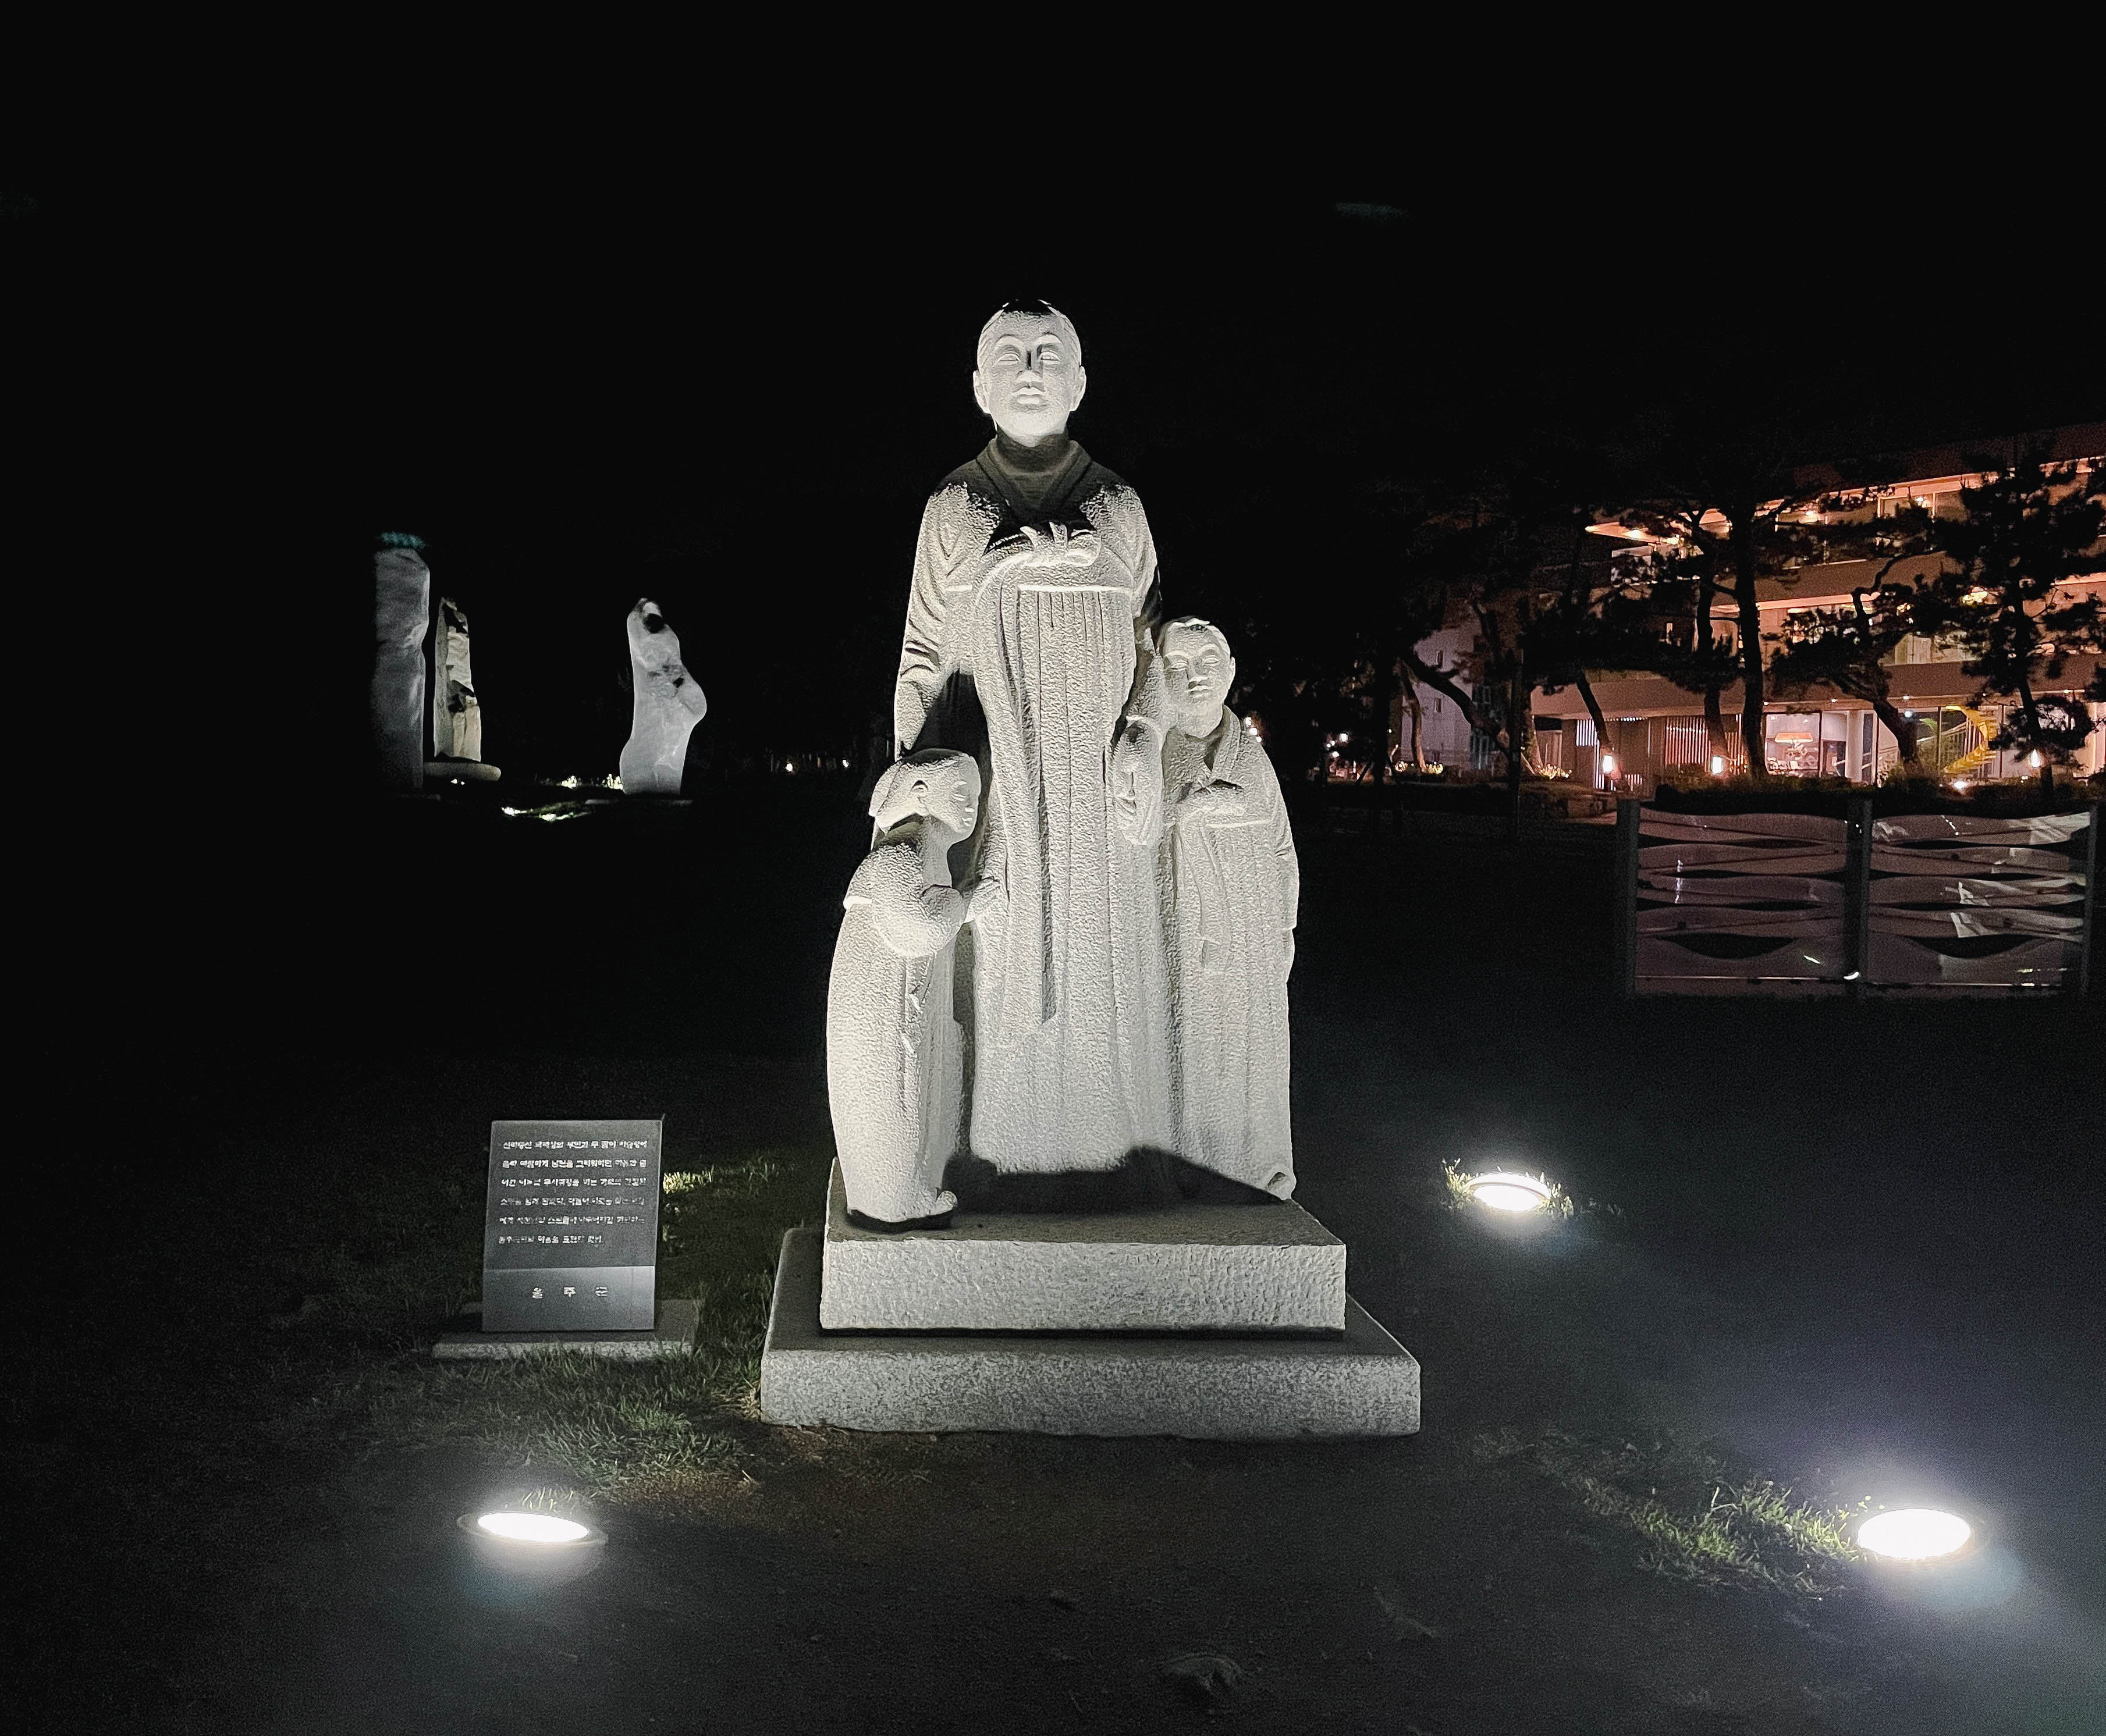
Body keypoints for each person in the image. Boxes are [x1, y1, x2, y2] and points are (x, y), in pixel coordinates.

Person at [889, 302, 1172, 1175]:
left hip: (1094, 788)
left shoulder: (1116, 504)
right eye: (1009, 355)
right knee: (1001, 955)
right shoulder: (955, 505)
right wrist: (916, 791)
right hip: (996, 777)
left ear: (1079, 382)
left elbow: (1155, 644)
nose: (1029, 370)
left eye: (1049, 355)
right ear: (978, 386)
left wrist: (1142, 730)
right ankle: (992, 1146)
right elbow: (922, 656)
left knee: (1100, 962)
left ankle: (1106, 1148)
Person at [1156, 618, 1299, 1198]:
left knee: (1254, 1047)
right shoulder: (1156, 751)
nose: (1195, 677)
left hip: (1255, 931)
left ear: (1232, 671)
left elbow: (1281, 846)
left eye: (1209, 664)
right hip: (1185, 931)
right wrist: (1185, 812)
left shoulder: (1251, 758)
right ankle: (1190, 1160)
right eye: (1178, 666)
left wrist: (1285, 924)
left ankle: (1256, 1159)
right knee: (1192, 1043)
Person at [825, 750, 982, 1226]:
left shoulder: (922, 852)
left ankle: (905, 1191)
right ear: (919, 793)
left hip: (899, 1001)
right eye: (961, 793)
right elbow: (916, 929)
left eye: (975, 796)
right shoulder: (900, 853)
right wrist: (967, 903)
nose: (971, 806)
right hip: (880, 1005)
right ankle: (890, 1201)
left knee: (907, 1093)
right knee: (889, 1095)